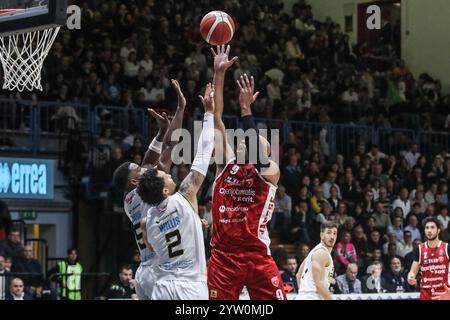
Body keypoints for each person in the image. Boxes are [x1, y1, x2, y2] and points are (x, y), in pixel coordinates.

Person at [207, 46, 285, 300]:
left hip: (257, 257)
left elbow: (254, 144)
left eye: (252, 143)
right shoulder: (225, 164)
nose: (242, 142)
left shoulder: (269, 172)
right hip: (223, 257)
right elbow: (217, 118)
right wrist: (219, 75)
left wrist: (246, 110)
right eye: (241, 141)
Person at [137, 82, 215, 300]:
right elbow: (204, 153)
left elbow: (154, 242)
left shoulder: (148, 219)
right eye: (166, 177)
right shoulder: (184, 197)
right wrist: (209, 114)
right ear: (164, 191)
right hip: (190, 287)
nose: (170, 175)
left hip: (162, 288)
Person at [113, 79, 187, 300]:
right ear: (135, 181)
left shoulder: (130, 200)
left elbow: (147, 161)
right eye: (138, 169)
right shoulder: (150, 189)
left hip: (144, 271)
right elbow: (168, 150)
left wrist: (160, 131)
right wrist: (181, 110)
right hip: (159, 270)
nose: (144, 167)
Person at [407, 217, 450, 300]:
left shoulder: (447, 248)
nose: (429, 230)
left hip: (444, 294)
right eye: (427, 228)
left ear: (438, 230)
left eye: (432, 227)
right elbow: (412, 272)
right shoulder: (419, 249)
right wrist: (410, 278)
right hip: (425, 295)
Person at [295, 221, 338, 300]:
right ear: (321, 235)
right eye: (328, 233)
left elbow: (298, 275)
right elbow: (318, 283)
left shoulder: (313, 252)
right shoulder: (321, 253)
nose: (332, 237)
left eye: (334, 233)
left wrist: (303, 294)